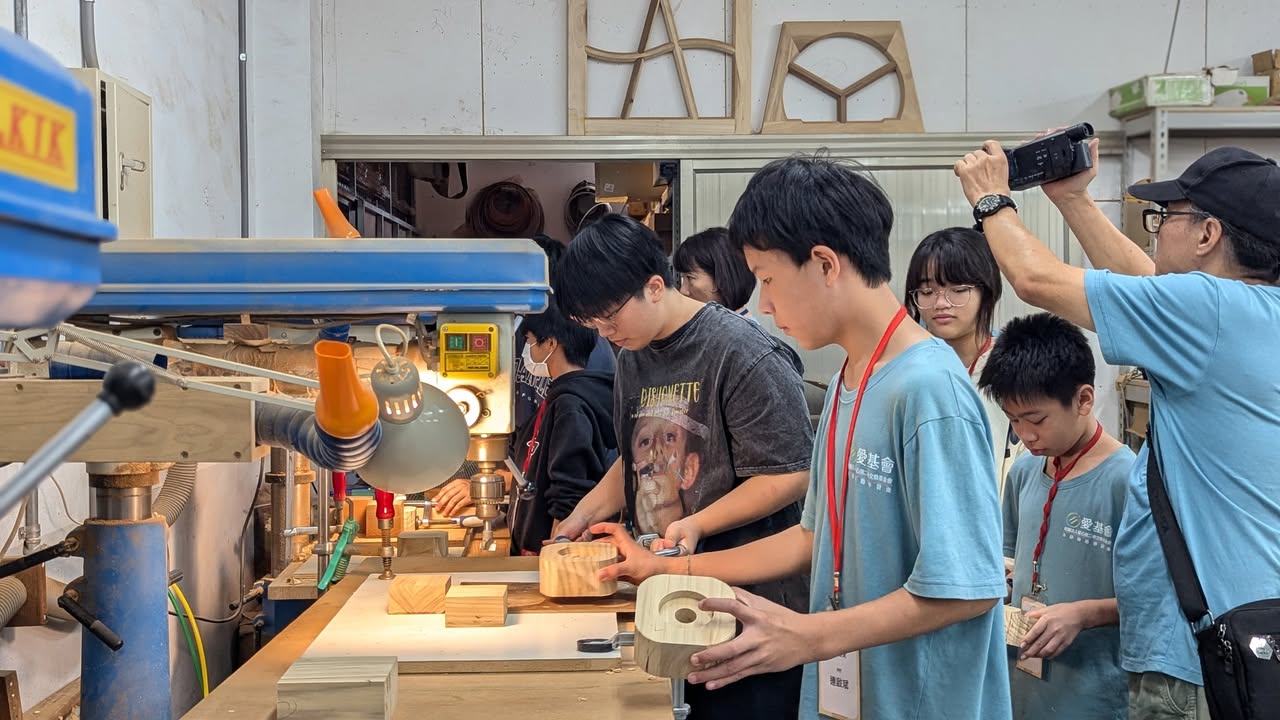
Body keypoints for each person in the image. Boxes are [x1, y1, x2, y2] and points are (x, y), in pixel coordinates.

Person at [590, 155, 1010, 719]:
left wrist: (808, 635)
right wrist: (670, 568)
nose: (763, 303)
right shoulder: (848, 379)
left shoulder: (930, 390)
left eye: (767, 279)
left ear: (824, 264)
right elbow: (812, 538)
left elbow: (969, 589)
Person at [954, 140, 1280, 719]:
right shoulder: (1251, 314)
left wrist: (989, 199)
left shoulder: (1207, 310)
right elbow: (1144, 278)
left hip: (1200, 657)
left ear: (1208, 234)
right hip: (1242, 637)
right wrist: (1074, 200)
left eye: (1166, 216)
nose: (1156, 230)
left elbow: (1035, 279)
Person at [552, 212, 814, 720]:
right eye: (593, 325)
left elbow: (790, 473)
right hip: (668, 600)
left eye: (610, 318)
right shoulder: (633, 353)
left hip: (747, 614)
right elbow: (633, 459)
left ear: (654, 287)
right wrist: (579, 517)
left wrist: (697, 524)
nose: (606, 334)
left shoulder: (741, 352)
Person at [977, 312, 1132, 720]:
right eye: (1013, 420)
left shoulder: (1127, 480)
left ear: (1083, 400)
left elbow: (1156, 599)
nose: (1025, 435)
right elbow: (1009, 560)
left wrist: (1083, 614)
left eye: (1037, 420)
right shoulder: (1025, 471)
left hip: (1093, 695)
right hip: (1022, 688)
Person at [434, 232, 616, 517]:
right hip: (518, 461)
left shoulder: (589, 352)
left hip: (556, 481)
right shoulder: (514, 332)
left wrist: (503, 481)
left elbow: (579, 467)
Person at [905, 227, 1022, 491]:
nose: (940, 303)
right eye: (927, 292)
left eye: (958, 289)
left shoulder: (1013, 366)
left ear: (987, 292)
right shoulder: (908, 370)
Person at [505, 295, 617, 555]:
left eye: (530, 341)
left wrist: (558, 553)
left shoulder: (570, 406)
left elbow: (569, 491)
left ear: (550, 343)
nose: (527, 350)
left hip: (552, 552)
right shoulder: (560, 398)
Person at [674, 226, 758, 320]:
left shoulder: (737, 328)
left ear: (721, 279)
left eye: (690, 277)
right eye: (683, 277)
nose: (683, 291)